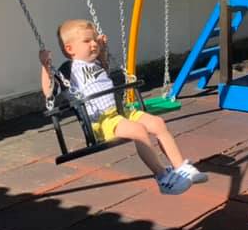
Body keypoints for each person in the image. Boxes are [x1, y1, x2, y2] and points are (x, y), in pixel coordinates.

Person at [39, 19, 207, 195]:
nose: (94, 44)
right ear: (70, 49)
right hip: (103, 120)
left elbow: (103, 69)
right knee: (139, 131)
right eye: (87, 41)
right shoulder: (68, 69)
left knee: (157, 123)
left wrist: (103, 51)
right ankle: (163, 177)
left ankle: (181, 167)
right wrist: (45, 66)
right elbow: (49, 91)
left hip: (122, 111)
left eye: (95, 39)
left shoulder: (96, 63)